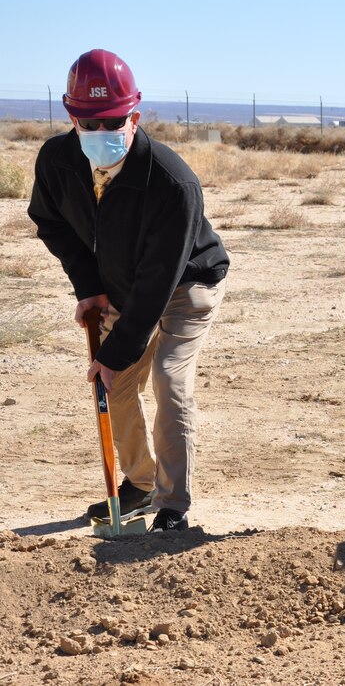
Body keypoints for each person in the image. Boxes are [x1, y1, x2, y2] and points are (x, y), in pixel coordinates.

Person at [28, 49, 229, 532]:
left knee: (167, 378)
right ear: (71, 116)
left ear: (134, 116)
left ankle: (173, 504)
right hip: (119, 285)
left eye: (113, 121)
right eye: (88, 123)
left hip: (186, 284)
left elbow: (158, 282)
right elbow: (49, 221)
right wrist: (90, 286)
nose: (100, 133)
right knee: (111, 384)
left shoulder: (171, 181)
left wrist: (117, 349)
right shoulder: (56, 161)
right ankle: (139, 485)